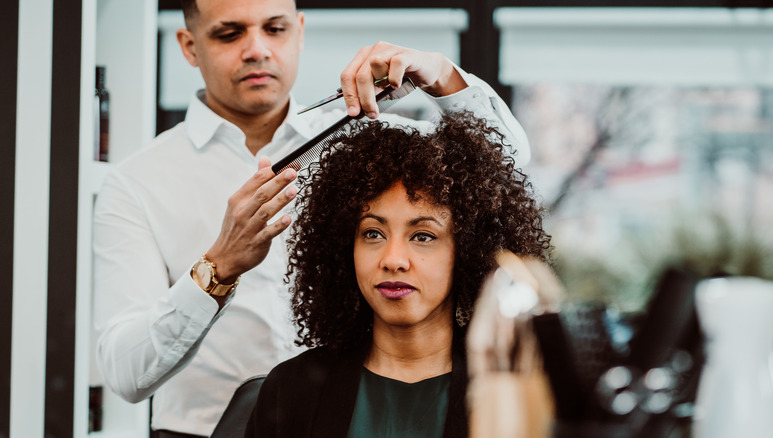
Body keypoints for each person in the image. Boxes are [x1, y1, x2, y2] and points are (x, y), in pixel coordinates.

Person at [92, 0, 531, 436]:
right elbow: (127, 374)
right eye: (230, 33)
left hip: (352, 414)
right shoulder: (137, 182)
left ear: (300, 31)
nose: (257, 49)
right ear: (188, 46)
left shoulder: (361, 136)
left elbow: (502, 171)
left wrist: (441, 75)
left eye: (275, 29)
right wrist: (218, 268)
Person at [246, 112, 551, 438]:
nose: (393, 260)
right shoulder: (291, 390)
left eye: (423, 236)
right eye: (373, 234)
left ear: (467, 249)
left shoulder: (515, 395)